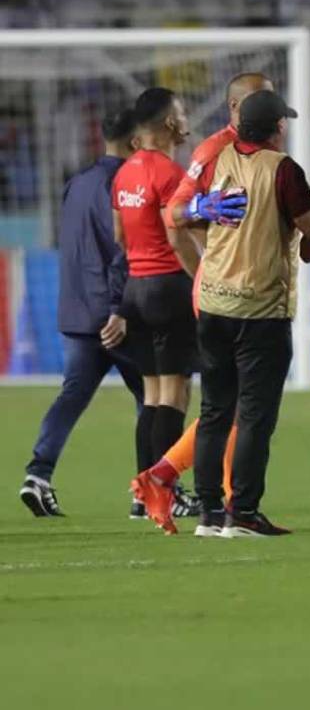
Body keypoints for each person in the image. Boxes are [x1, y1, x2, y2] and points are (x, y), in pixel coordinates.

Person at [130, 72, 273, 533]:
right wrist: (205, 261)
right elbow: (176, 216)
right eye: (259, 99)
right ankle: (229, 504)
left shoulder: (261, 152)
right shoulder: (213, 151)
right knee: (233, 402)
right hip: (222, 294)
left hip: (246, 291)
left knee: (226, 403)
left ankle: (167, 478)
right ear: (235, 108)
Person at [190, 90, 310, 537]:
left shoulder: (218, 160)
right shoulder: (283, 169)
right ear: (276, 128)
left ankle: (209, 513)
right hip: (260, 309)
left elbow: (186, 213)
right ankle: (244, 513)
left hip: (212, 303)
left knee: (214, 411)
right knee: (253, 416)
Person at [18, 111, 143, 517]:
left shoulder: (76, 183)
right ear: (135, 141)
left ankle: (38, 474)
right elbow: (120, 252)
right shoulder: (123, 184)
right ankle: (150, 492)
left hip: (77, 313)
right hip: (115, 315)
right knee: (155, 399)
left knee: (72, 395)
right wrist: (117, 308)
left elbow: (74, 249)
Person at [111, 88, 200, 506]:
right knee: (174, 393)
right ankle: (165, 490)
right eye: (181, 112)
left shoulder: (125, 172)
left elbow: (118, 235)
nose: (185, 120)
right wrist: (201, 277)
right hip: (168, 286)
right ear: (169, 123)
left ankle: (141, 493)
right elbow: (176, 235)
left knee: (149, 394)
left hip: (135, 289)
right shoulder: (169, 174)